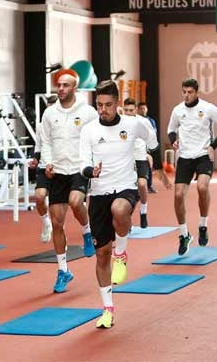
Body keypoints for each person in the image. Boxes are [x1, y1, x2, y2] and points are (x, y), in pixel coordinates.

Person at [80, 80, 170, 328]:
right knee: (101, 255)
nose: (103, 110)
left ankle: (122, 253)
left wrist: (159, 167)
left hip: (125, 187)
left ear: (117, 103)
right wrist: (90, 171)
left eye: (108, 105)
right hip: (98, 192)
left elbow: (152, 141)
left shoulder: (134, 124)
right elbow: (82, 163)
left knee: (119, 209)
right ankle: (107, 309)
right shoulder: (88, 130)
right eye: (99, 105)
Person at [40, 73, 97, 293]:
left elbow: (96, 137)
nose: (61, 88)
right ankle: (63, 270)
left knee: (76, 202)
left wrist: (92, 164)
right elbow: (45, 141)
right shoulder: (49, 113)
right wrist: (47, 163)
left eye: (66, 85)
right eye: (59, 85)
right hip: (58, 171)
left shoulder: (87, 112)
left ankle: (87, 231)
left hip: (79, 168)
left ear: (75, 88)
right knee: (57, 223)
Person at [167, 78, 217, 254]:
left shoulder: (208, 108)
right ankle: (184, 234)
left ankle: (203, 225)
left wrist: (213, 146)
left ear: (197, 92)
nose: (186, 95)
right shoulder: (177, 110)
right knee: (178, 195)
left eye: (190, 92)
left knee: (202, 187)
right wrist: (173, 141)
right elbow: (170, 130)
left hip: (203, 155)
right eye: (184, 92)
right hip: (185, 157)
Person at [123, 98, 160, 228]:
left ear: (136, 110)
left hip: (140, 157)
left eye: (131, 110)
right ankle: (126, 219)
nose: (128, 113)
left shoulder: (143, 122)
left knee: (142, 184)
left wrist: (149, 153)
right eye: (126, 110)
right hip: (125, 160)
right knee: (127, 192)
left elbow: (151, 139)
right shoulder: (119, 121)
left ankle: (143, 212)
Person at [28, 95, 57, 243]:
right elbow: (38, 147)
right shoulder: (40, 126)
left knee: (56, 208)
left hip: (60, 167)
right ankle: (46, 223)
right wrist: (36, 159)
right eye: (49, 107)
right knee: (39, 197)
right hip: (44, 166)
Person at [137, 102, 158, 193]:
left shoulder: (151, 121)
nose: (143, 110)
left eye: (144, 108)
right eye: (141, 109)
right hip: (137, 147)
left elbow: (153, 134)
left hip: (147, 146)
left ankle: (149, 185)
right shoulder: (136, 120)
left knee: (149, 165)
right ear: (137, 109)